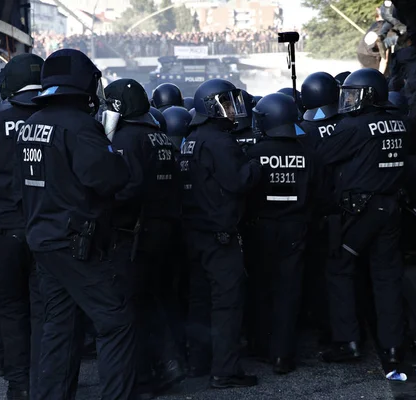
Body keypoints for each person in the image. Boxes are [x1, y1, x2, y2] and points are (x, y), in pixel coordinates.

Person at [17, 49, 134, 400]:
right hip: (75, 243)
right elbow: (110, 179)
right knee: (116, 321)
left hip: (44, 239)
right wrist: (112, 149)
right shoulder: (80, 127)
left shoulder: (32, 122)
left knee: (59, 327)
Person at [317, 68, 406, 364]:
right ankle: (393, 348)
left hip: (361, 209)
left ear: (370, 95)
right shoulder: (398, 123)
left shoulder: (354, 126)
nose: (349, 101)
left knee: (338, 268)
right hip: (391, 206)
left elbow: (323, 155)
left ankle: (349, 342)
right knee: (387, 276)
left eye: (354, 94)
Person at [104, 78, 184, 397]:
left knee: (132, 307)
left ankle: (148, 374)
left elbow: (128, 186)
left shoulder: (125, 138)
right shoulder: (158, 135)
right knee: (156, 301)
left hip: (137, 233)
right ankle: (170, 364)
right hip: (165, 229)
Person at [179, 78, 261, 388]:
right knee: (227, 303)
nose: (232, 109)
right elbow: (239, 180)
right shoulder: (219, 141)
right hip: (219, 235)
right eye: (226, 103)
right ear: (211, 107)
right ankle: (225, 371)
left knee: (199, 301)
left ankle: (198, 363)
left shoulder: (192, 139)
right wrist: (256, 165)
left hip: (195, 233)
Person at [0, 53, 46, 400]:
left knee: (11, 308)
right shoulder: (56, 117)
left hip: (7, 228)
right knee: (45, 310)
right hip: (48, 229)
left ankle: (19, 385)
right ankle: (45, 381)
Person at [245, 93, 316, 374]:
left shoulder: (253, 153)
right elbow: (317, 192)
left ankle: (261, 346)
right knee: (288, 291)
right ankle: (282, 356)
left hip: (260, 228)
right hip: (295, 228)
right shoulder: (307, 153)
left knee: (261, 288)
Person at [299, 71, 345, 344]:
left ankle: (323, 328)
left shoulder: (304, 130)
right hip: (346, 206)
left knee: (318, 271)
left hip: (317, 209)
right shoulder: (346, 122)